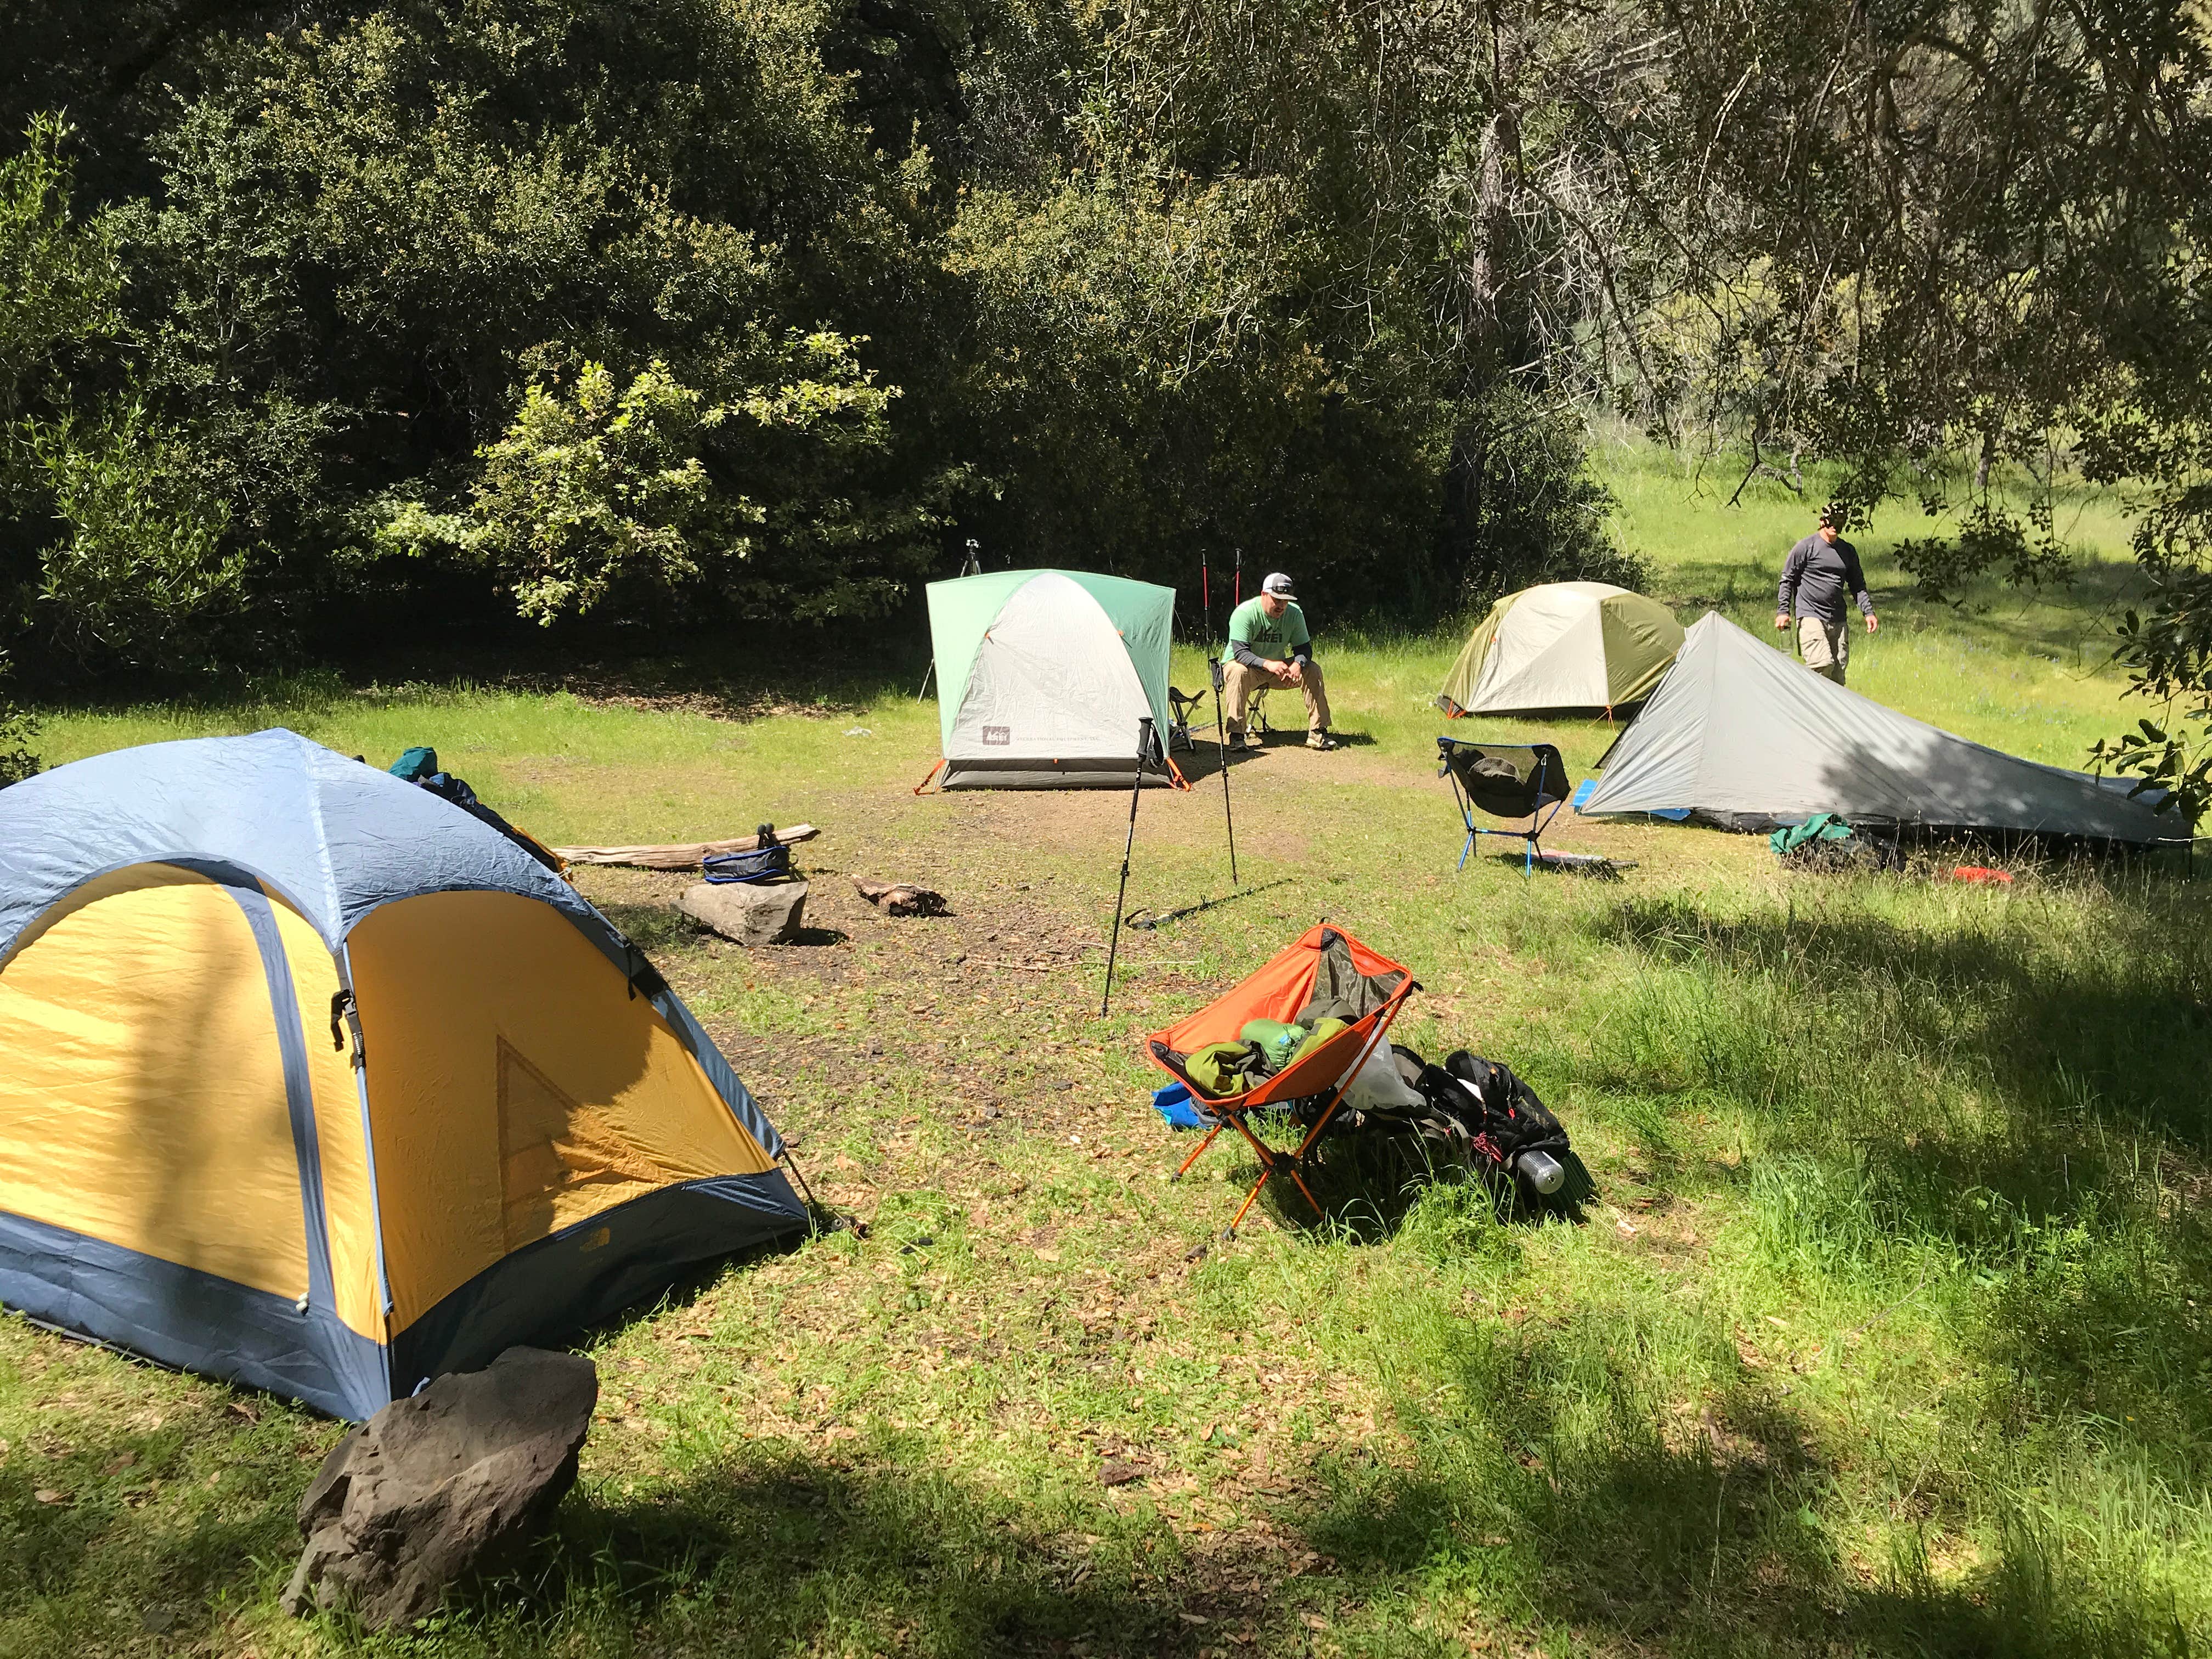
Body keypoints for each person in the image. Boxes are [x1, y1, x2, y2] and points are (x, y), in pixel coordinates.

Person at [1222, 572, 1338, 751]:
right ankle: (1237, 736)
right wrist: (1268, 664)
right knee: (1238, 671)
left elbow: (1304, 649)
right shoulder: (1245, 613)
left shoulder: (1294, 614)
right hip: (1247, 668)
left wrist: (1298, 665)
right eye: (1277, 599)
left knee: (1312, 669)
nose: (1281, 605)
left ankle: (1318, 732)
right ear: (1264, 595)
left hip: (1278, 670)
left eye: (1285, 600)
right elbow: (1241, 654)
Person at [1775, 506, 1878, 684]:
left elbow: (1858, 585)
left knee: (1837, 677)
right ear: (1822, 522)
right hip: (1810, 615)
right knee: (1821, 665)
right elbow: (1787, 579)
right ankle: (1809, 708)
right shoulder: (1806, 547)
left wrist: (1868, 612)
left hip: (1838, 619)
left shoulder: (1848, 551)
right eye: (1831, 521)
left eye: (1839, 522)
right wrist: (1783, 611)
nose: (1834, 526)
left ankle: (1830, 712)